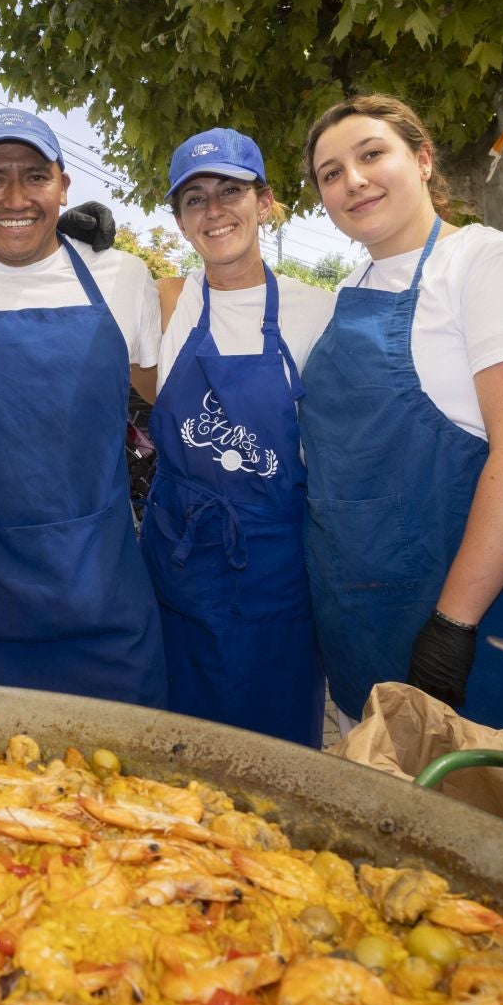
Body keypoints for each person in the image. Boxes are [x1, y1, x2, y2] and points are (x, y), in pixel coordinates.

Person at [301, 95, 503, 734]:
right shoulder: (352, 290)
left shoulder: (491, 266)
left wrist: (453, 624)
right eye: (330, 173)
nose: (353, 180)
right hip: (362, 603)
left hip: (475, 605)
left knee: (497, 806)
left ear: (423, 160)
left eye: (372, 154)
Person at [0, 109, 167, 707]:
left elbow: (154, 396)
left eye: (35, 177)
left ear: (65, 186)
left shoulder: (122, 277)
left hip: (98, 593)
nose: (15, 196)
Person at [141, 128, 335, 745]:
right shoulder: (163, 304)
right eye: (194, 198)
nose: (215, 209)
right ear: (179, 220)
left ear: (266, 202)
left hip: (276, 571)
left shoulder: (318, 312)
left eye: (231, 190)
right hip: (177, 562)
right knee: (176, 747)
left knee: (275, 752)